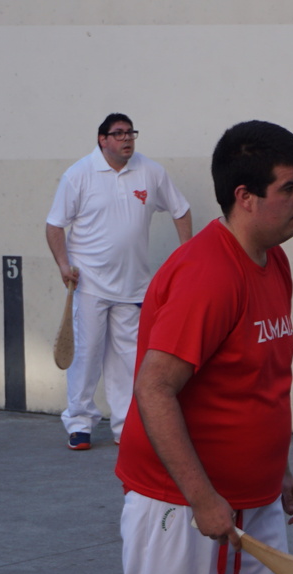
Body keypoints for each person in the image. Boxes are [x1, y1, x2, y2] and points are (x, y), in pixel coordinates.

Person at [113, 120, 293, 574]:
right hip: (182, 507)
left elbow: (259, 378)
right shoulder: (208, 275)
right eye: (290, 187)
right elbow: (154, 388)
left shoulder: (274, 260)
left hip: (256, 503)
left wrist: (279, 469)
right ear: (245, 197)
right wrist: (202, 498)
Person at [46, 113, 192, 450]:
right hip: (90, 284)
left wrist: (186, 254)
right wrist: (64, 264)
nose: (127, 139)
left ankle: (125, 425)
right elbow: (54, 225)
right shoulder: (79, 174)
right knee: (86, 354)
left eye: (131, 133)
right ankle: (79, 423)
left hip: (133, 286)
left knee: (127, 360)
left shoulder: (151, 171)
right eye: (119, 134)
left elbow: (180, 209)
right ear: (102, 140)